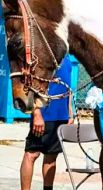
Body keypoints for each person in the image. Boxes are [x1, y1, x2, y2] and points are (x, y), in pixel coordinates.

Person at [21, 56, 73, 190]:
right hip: (43, 115)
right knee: (31, 154)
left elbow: (68, 86)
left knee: (51, 156)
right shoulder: (40, 55)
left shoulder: (66, 57)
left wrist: (70, 112)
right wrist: (36, 113)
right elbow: (29, 85)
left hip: (61, 116)